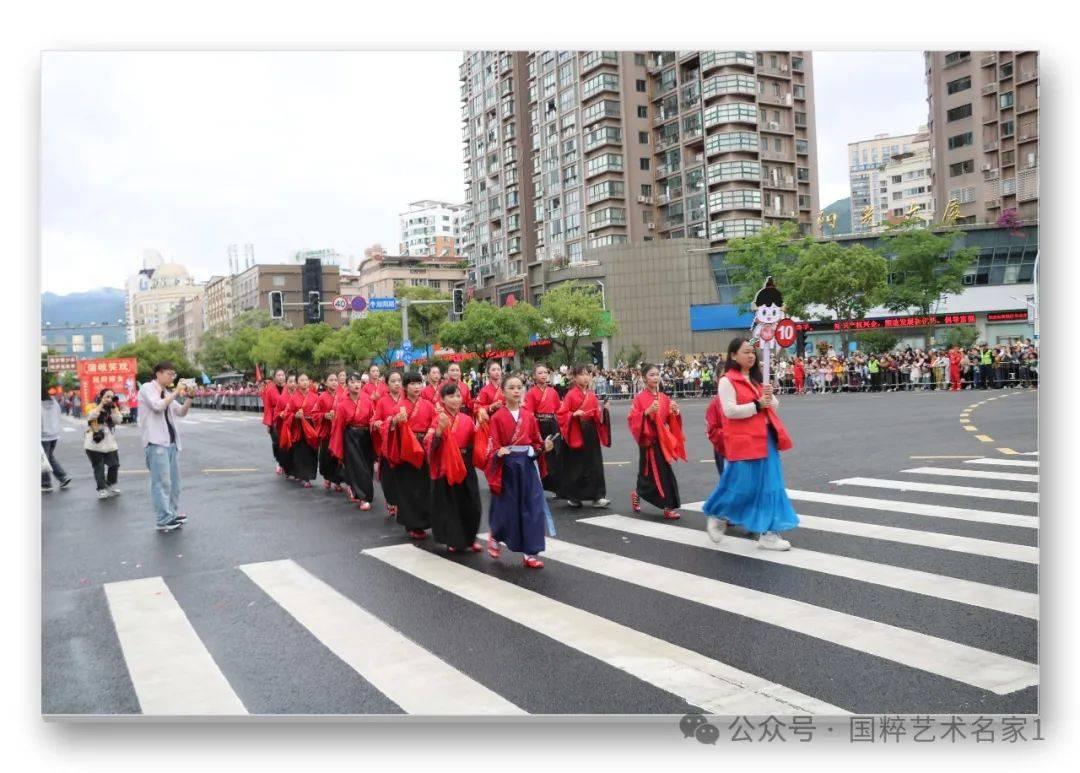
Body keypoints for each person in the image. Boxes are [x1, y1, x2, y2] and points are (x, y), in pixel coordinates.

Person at [702, 338, 798, 550]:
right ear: (733, 355)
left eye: (753, 352)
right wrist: (756, 404)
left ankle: (769, 533)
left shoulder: (757, 381)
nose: (751, 355)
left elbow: (773, 407)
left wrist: (769, 397)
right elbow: (729, 411)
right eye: (746, 352)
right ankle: (717, 513)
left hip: (766, 439)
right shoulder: (727, 380)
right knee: (741, 484)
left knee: (771, 485)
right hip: (745, 442)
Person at [485, 373, 554, 569]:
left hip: (526, 466)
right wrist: (499, 452)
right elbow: (493, 446)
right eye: (511, 387)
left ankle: (530, 553)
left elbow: (535, 441)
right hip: (507, 467)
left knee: (532, 508)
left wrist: (543, 446)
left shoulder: (528, 416)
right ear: (503, 392)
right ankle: (496, 537)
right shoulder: (497, 417)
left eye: (519, 387)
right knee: (507, 508)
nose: (516, 391)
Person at [426, 382, 483, 553]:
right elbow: (428, 443)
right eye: (450, 396)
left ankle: (470, 538)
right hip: (446, 464)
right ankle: (454, 539)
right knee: (451, 505)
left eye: (458, 396)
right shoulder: (438, 419)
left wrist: (481, 427)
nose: (455, 399)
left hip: (465, 463)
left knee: (472, 503)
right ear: (442, 399)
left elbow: (476, 441)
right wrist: (439, 432)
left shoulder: (466, 419)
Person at [627, 364, 686, 520]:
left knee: (661, 473)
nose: (655, 377)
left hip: (662, 442)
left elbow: (670, 421)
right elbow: (632, 419)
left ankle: (639, 493)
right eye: (652, 374)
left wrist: (675, 412)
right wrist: (646, 412)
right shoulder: (639, 398)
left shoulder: (664, 398)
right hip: (648, 443)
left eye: (657, 374)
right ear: (645, 377)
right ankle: (667, 507)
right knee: (652, 474)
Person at [138, 362, 192, 531]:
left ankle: (172, 513)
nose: (172, 377)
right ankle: (163, 519)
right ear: (159, 373)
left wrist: (190, 397)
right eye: (170, 374)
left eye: (173, 374)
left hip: (171, 443)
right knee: (161, 483)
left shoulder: (166, 393)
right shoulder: (147, 388)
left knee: (175, 483)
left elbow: (181, 412)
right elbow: (157, 406)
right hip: (156, 443)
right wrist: (176, 391)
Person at [383, 372, 436, 539]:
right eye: (412, 384)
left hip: (423, 448)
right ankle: (412, 524)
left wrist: (432, 429)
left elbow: (434, 420)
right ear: (406, 387)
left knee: (424, 486)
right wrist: (395, 421)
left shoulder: (428, 405)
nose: (417, 387)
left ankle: (424, 521)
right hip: (406, 450)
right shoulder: (399, 407)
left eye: (419, 383)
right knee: (408, 488)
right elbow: (387, 426)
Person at [556, 365, 611, 508]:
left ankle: (597, 496)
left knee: (594, 464)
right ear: (574, 377)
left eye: (587, 374)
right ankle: (574, 497)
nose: (585, 377)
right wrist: (573, 415)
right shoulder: (571, 395)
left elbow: (596, 414)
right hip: (576, 431)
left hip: (590, 432)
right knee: (576, 466)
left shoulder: (591, 395)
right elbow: (562, 414)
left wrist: (604, 411)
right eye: (581, 374)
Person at [330, 372, 375, 510]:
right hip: (351, 436)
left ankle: (358, 491)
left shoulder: (367, 400)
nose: (356, 385)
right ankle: (364, 498)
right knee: (357, 467)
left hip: (366, 435)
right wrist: (338, 445)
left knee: (367, 466)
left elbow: (373, 417)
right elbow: (338, 426)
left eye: (358, 382)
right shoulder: (342, 405)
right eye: (352, 382)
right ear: (347, 385)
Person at [524, 363, 562, 497]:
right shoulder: (531, 393)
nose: (544, 375)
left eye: (545, 372)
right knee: (540, 456)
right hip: (538, 425)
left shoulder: (553, 392)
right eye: (540, 373)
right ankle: (539, 485)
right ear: (534, 376)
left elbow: (559, 410)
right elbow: (529, 413)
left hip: (552, 425)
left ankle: (557, 487)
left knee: (554, 455)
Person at [372, 371, 405, 518]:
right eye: (393, 381)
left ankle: (402, 501)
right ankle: (391, 501)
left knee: (403, 475)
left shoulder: (407, 399)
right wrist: (378, 424)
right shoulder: (382, 401)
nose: (397, 383)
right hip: (388, 443)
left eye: (399, 380)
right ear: (387, 384)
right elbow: (373, 421)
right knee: (389, 475)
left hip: (404, 442)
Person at [280, 373, 320, 487]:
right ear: (298, 383)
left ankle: (310, 474)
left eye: (306, 380)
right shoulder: (293, 398)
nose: (305, 382)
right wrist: (295, 416)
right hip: (299, 428)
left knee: (312, 451)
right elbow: (287, 414)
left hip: (311, 426)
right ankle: (304, 476)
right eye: (302, 380)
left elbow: (318, 412)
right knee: (301, 452)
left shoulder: (315, 396)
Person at [313, 372, 345, 491]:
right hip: (326, 433)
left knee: (337, 457)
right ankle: (327, 477)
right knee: (326, 457)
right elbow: (314, 414)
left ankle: (337, 481)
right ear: (326, 382)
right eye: (331, 380)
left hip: (337, 432)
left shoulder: (342, 396)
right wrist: (325, 415)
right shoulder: (322, 397)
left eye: (335, 380)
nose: (334, 382)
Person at [41, 383, 72, 492]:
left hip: (43, 436)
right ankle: (63, 477)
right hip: (54, 435)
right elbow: (58, 414)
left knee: (43, 459)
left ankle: (46, 483)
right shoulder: (54, 402)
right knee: (49, 458)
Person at [274, 373, 298, 478]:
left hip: (297, 427)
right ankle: (287, 468)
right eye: (290, 382)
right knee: (287, 450)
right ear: (286, 383)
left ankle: (297, 470)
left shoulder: (300, 396)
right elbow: (276, 413)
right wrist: (281, 414)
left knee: (297, 450)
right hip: (285, 428)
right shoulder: (282, 398)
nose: (293, 384)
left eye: (294, 382)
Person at [262, 369, 287, 474]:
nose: (281, 377)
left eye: (282, 374)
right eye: (278, 375)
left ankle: (287, 464)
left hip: (287, 418)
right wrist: (268, 423)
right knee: (277, 442)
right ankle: (279, 462)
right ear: (275, 377)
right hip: (275, 419)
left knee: (288, 442)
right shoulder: (270, 390)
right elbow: (267, 407)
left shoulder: (288, 388)